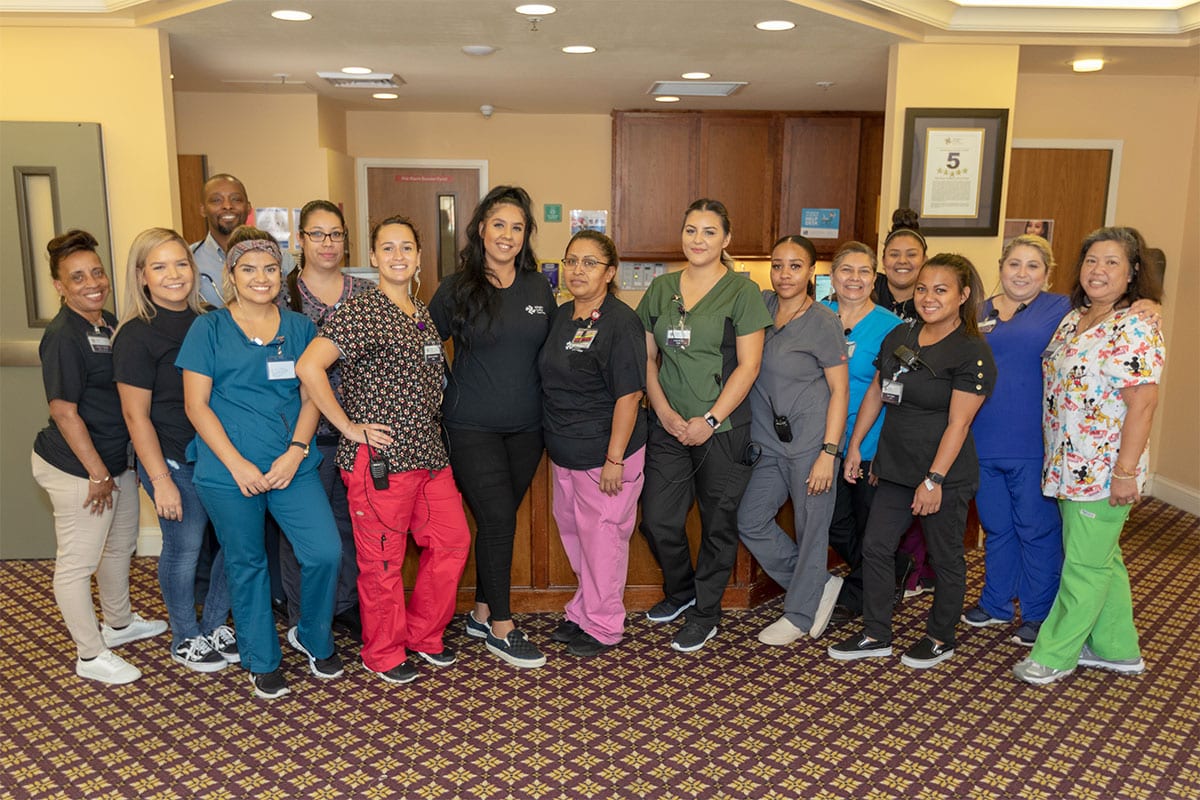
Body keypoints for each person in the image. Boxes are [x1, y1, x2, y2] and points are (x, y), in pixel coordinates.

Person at [298, 215, 470, 684]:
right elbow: (309, 368)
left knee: (453, 543)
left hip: (430, 457)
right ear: (372, 259)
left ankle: (422, 635)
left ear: (418, 257)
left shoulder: (421, 313)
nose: (398, 256)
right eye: (388, 248)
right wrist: (349, 427)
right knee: (383, 563)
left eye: (407, 248)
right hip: (382, 462)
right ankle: (384, 651)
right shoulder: (360, 311)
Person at [178, 226, 341, 699]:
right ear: (231, 274)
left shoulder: (300, 328)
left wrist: (295, 451)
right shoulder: (207, 328)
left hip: (291, 464)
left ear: (282, 272)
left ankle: (311, 634)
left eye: (270, 268)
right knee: (247, 563)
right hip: (229, 471)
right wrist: (237, 465)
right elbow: (196, 406)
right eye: (248, 268)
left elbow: (313, 397)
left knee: (323, 552)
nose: (261, 277)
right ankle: (261, 658)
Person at [1013, 227, 1165, 685]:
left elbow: (1143, 403)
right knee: (1100, 558)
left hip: (1103, 470)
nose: (1099, 270)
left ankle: (1055, 654)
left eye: (1112, 262)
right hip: (1066, 464)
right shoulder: (1074, 317)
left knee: (1083, 564)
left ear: (1133, 271)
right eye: (1092, 260)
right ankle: (1118, 648)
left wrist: (1124, 472)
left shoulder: (1135, 325)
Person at [829, 254, 996, 669]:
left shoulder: (971, 352)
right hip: (893, 465)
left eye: (941, 290)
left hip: (943, 473)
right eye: (922, 288)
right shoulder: (899, 336)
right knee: (876, 546)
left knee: (944, 557)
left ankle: (941, 637)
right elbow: (875, 392)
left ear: (963, 295)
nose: (928, 297)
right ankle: (876, 633)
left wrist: (934, 480)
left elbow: (959, 423)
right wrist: (855, 446)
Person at [636, 198, 772, 652]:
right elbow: (648, 359)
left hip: (724, 429)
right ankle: (682, 591)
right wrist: (666, 413)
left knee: (718, 523)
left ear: (726, 239)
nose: (698, 239)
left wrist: (710, 420)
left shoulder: (742, 292)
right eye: (691, 230)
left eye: (709, 232)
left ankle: (707, 613)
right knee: (657, 519)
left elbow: (749, 365)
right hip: (668, 426)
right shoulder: (661, 288)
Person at [32, 229, 167, 685]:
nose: (92, 282)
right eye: (77, 277)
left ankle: (120, 624)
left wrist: (116, 467)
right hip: (78, 468)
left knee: (120, 545)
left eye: (97, 272)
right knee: (78, 562)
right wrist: (95, 473)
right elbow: (64, 412)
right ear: (59, 286)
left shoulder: (107, 322)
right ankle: (90, 655)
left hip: (115, 461)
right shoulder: (63, 336)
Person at [429, 185, 555, 668]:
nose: (507, 235)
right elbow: (422, 347)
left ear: (526, 236)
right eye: (498, 224)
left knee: (497, 522)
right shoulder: (455, 287)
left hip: (528, 429)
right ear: (480, 229)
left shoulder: (539, 288)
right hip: (470, 427)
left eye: (517, 227)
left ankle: (481, 610)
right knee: (499, 518)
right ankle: (502, 627)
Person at [113, 228, 237, 673]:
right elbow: (135, 416)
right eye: (159, 266)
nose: (173, 274)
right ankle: (185, 634)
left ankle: (216, 625)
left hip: (217, 454)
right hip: (169, 458)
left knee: (234, 541)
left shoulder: (212, 318)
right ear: (142, 276)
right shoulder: (135, 336)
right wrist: (160, 480)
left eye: (181, 263)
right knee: (184, 546)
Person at [539, 230, 647, 657]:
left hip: (606, 455)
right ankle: (584, 610)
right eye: (571, 261)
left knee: (603, 540)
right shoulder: (563, 315)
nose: (577, 270)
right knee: (577, 536)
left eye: (588, 262)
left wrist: (614, 458)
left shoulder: (622, 322)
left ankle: (604, 625)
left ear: (610, 272)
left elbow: (629, 395)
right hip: (565, 452)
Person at [738, 235, 849, 645]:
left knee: (812, 529)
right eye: (778, 264)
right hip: (767, 443)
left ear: (811, 272)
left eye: (795, 266)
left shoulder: (823, 321)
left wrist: (828, 453)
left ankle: (800, 615)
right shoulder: (762, 306)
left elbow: (840, 391)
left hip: (811, 445)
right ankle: (816, 585)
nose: (785, 274)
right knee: (749, 520)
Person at [961, 236, 1071, 646]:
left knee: (1036, 528)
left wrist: (1146, 302)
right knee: (996, 526)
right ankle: (996, 603)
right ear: (1001, 266)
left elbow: (1116, 310)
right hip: (981, 438)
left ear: (1047, 273)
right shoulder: (980, 310)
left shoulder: (1062, 309)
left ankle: (1039, 613)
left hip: (1032, 441)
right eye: (1014, 264)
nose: (1022, 273)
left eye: (1033, 266)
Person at [276, 199, 372, 641]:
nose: (327, 243)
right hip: (300, 436)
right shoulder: (281, 296)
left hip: (353, 433)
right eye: (317, 234)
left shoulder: (365, 296)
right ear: (300, 240)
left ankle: (344, 605)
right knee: (305, 535)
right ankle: (305, 615)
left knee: (349, 526)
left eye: (335, 234)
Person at [820, 242, 903, 626]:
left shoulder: (892, 327)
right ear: (832, 276)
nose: (854, 279)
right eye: (846, 271)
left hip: (870, 440)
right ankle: (891, 568)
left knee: (868, 522)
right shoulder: (818, 316)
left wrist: (859, 445)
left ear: (875, 278)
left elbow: (888, 390)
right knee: (834, 523)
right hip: (824, 440)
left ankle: (859, 592)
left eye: (864, 271)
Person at [876, 208, 936, 598]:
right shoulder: (865, 293)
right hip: (874, 410)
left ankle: (916, 570)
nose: (902, 262)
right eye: (894, 254)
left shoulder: (934, 303)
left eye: (911, 254)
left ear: (924, 260)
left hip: (918, 415)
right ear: (883, 260)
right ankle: (891, 568)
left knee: (915, 493)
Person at [191, 173, 294, 307]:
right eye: (216, 200)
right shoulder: (189, 259)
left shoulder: (282, 259)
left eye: (236, 199)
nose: (227, 206)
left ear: (248, 207)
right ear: (203, 209)